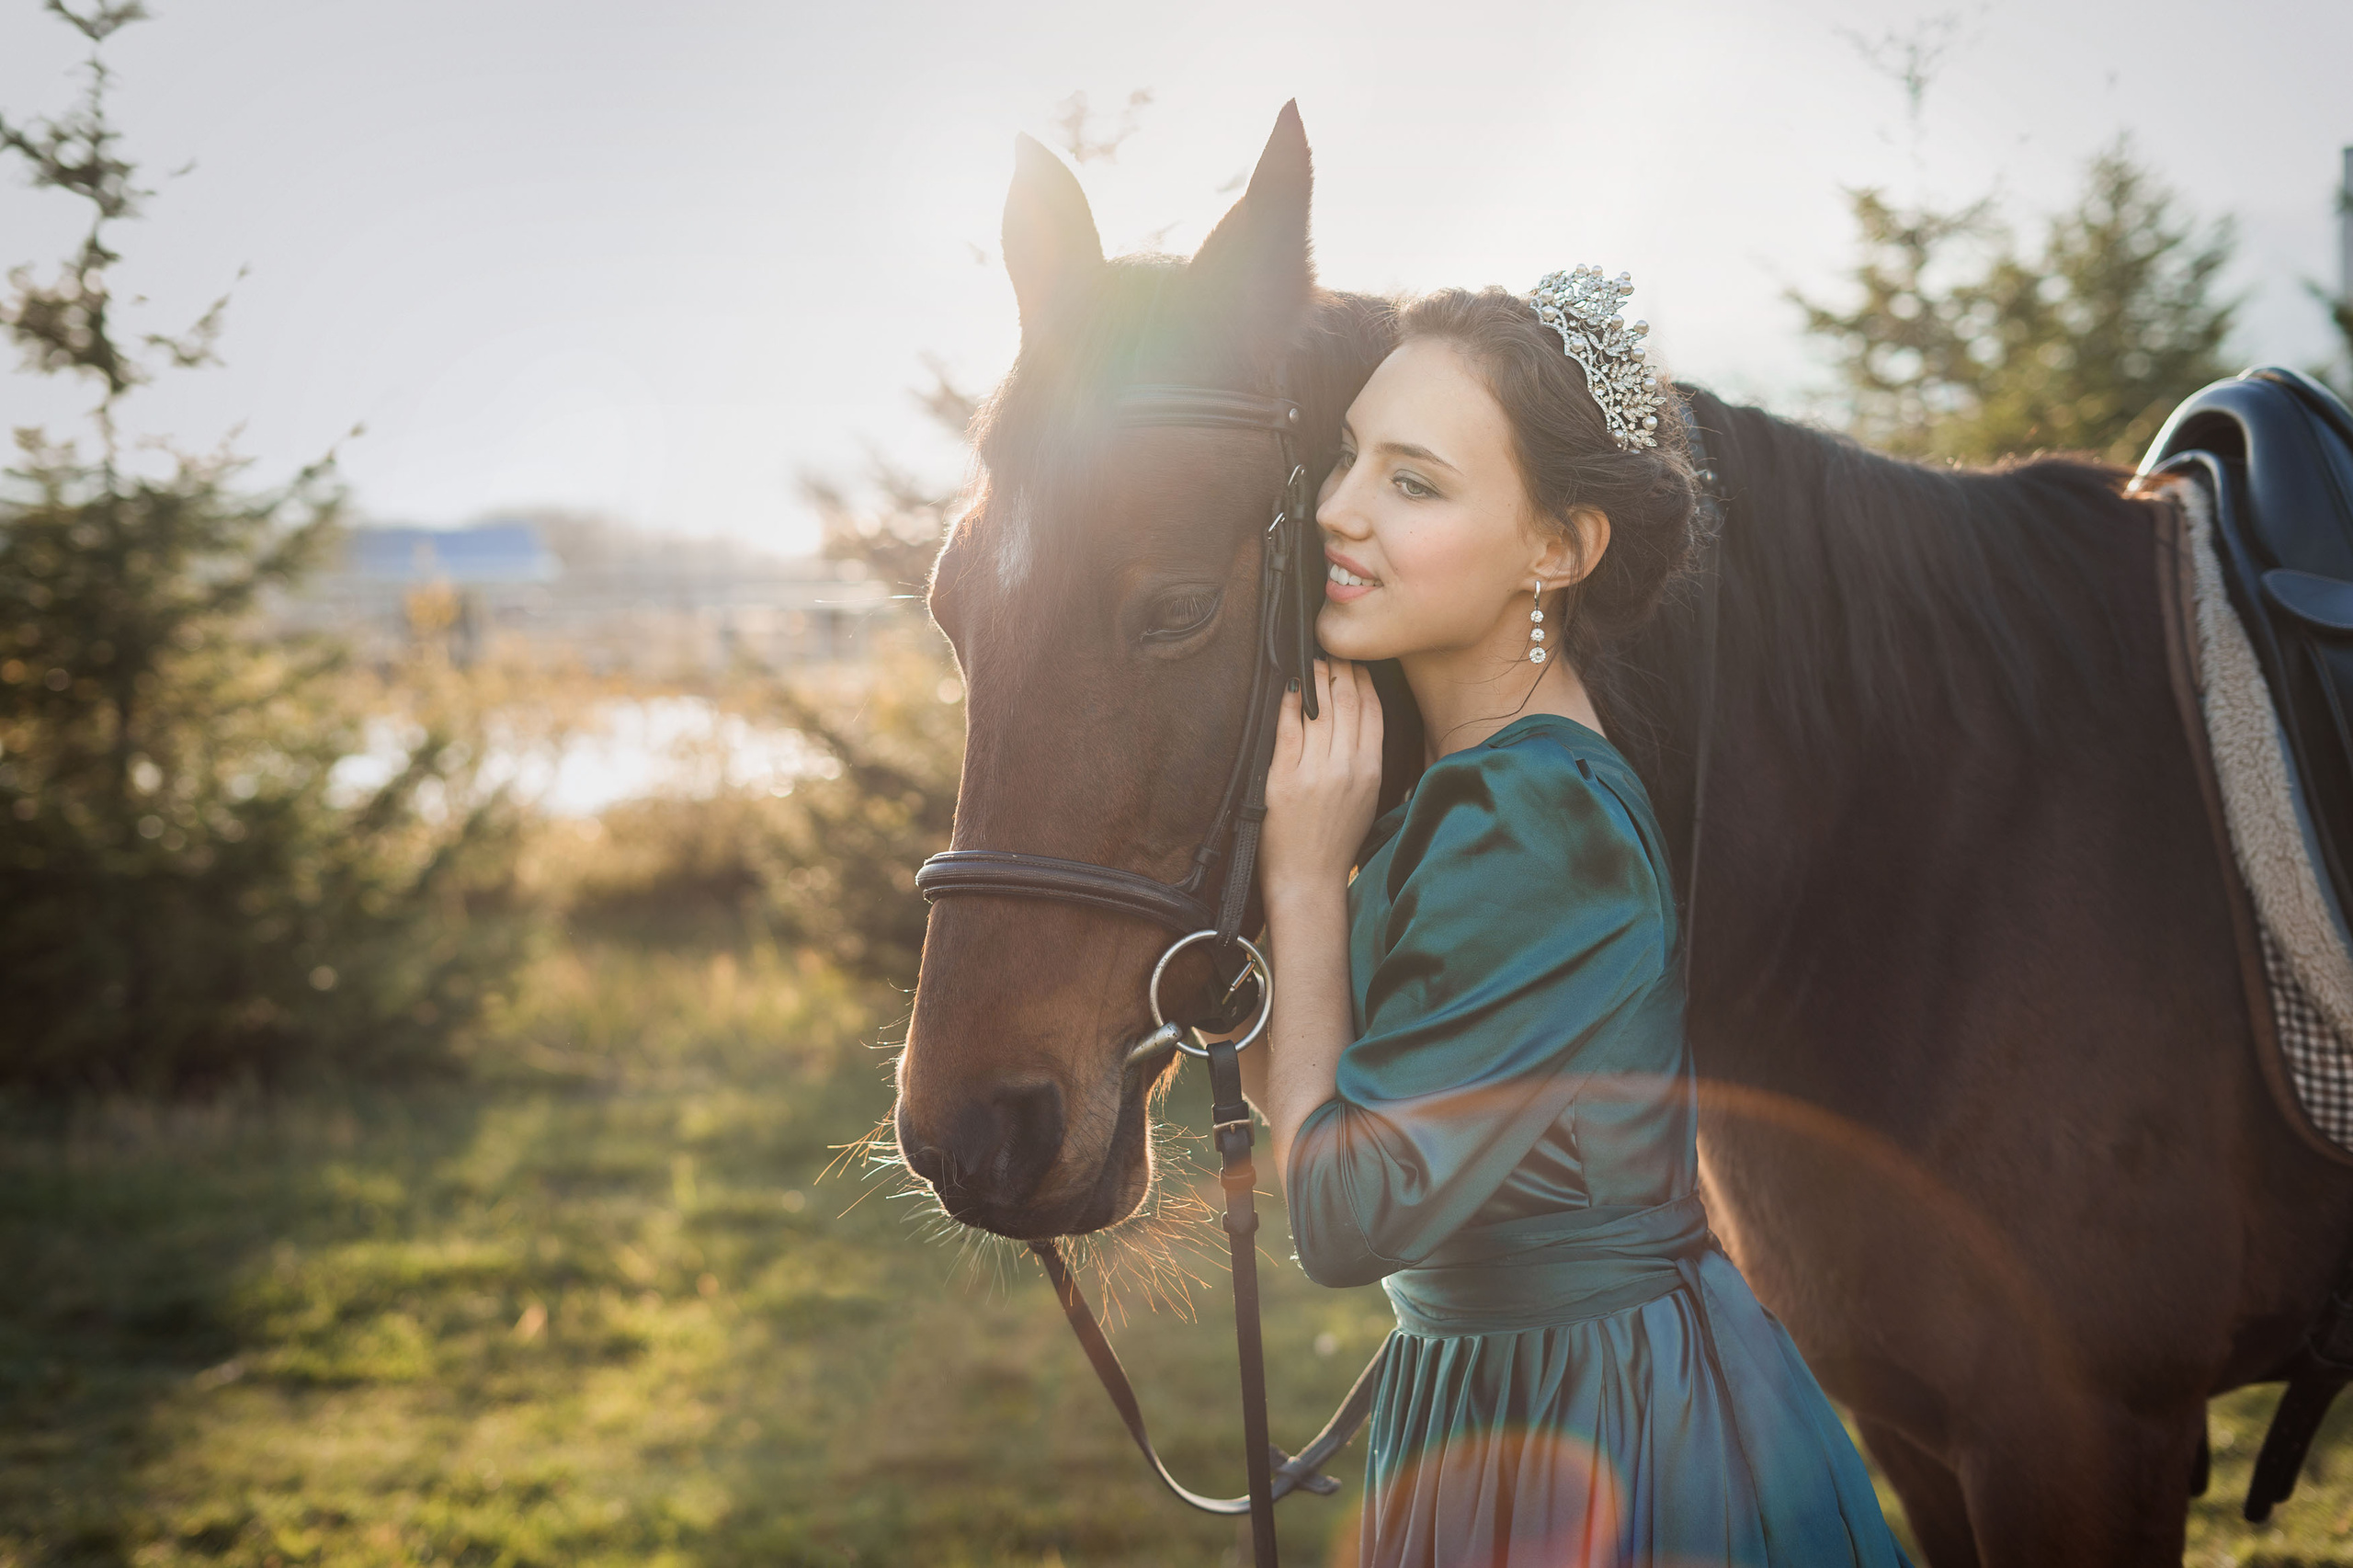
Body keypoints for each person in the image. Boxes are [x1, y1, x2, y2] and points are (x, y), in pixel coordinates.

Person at [1228, 272, 1913, 1567]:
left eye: (1413, 483)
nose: (1336, 509)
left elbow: (1342, 1212)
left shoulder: (1533, 817)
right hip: (1516, 1392)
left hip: (1595, 1426)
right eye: (1347, 457)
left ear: (1559, 547)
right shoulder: (1481, 786)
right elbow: (1325, 1097)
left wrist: (1308, 884)